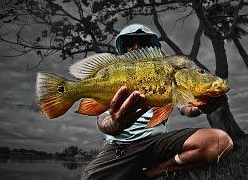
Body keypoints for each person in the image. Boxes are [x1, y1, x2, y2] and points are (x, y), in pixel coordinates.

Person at [81, 24, 233, 180]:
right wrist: (115, 124)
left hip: (157, 144)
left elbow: (187, 108)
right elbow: (102, 121)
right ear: (123, 48)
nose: (136, 47)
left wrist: (201, 107)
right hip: (120, 148)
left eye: (144, 42)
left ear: (152, 47)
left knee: (220, 141)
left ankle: (149, 174)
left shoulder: (172, 74)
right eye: (129, 43)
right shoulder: (112, 76)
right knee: (90, 177)